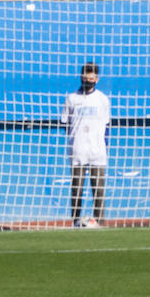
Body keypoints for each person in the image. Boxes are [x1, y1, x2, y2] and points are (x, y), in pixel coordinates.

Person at [62, 61, 110, 228]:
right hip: (78, 150)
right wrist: (73, 141)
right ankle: (75, 221)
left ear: (96, 79)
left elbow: (107, 126)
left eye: (91, 78)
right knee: (77, 188)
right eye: (85, 77)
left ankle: (100, 222)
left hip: (97, 150)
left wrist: (104, 146)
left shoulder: (102, 99)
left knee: (98, 189)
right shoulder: (71, 98)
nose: (87, 80)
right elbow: (66, 124)